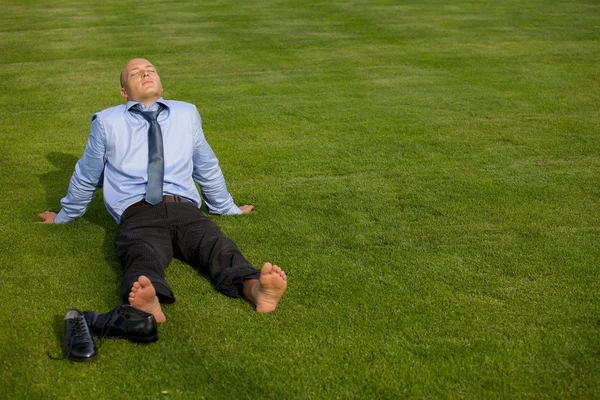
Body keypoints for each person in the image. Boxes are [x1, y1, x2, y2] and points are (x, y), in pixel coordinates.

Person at [38, 58, 287, 323]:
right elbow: (87, 174)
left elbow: (205, 164)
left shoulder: (186, 113)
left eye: (150, 70)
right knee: (140, 255)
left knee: (216, 246)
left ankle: (255, 289)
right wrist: (65, 215)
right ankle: (150, 301)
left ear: (160, 81)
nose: (145, 74)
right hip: (137, 213)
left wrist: (226, 207)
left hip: (184, 208)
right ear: (124, 91)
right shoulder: (106, 122)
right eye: (135, 73)